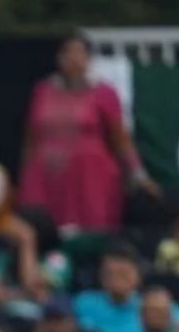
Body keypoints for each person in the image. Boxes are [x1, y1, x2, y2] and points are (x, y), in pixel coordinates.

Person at [21, 31, 156, 233]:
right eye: (68, 53)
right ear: (59, 58)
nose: (74, 59)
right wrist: (25, 173)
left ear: (89, 58)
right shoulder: (43, 90)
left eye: (80, 53)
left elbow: (120, 138)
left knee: (93, 229)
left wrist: (138, 173)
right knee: (42, 227)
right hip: (46, 175)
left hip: (91, 176)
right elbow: (31, 135)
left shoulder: (104, 93)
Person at [74, 244, 174, 332]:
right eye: (109, 274)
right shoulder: (84, 303)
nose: (116, 281)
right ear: (100, 275)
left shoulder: (152, 304)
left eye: (123, 274)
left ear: (138, 275)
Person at [0, 206, 72, 321]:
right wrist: (23, 294)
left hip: (44, 318)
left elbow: (32, 285)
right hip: (6, 316)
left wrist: (27, 241)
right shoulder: (4, 257)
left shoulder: (57, 259)